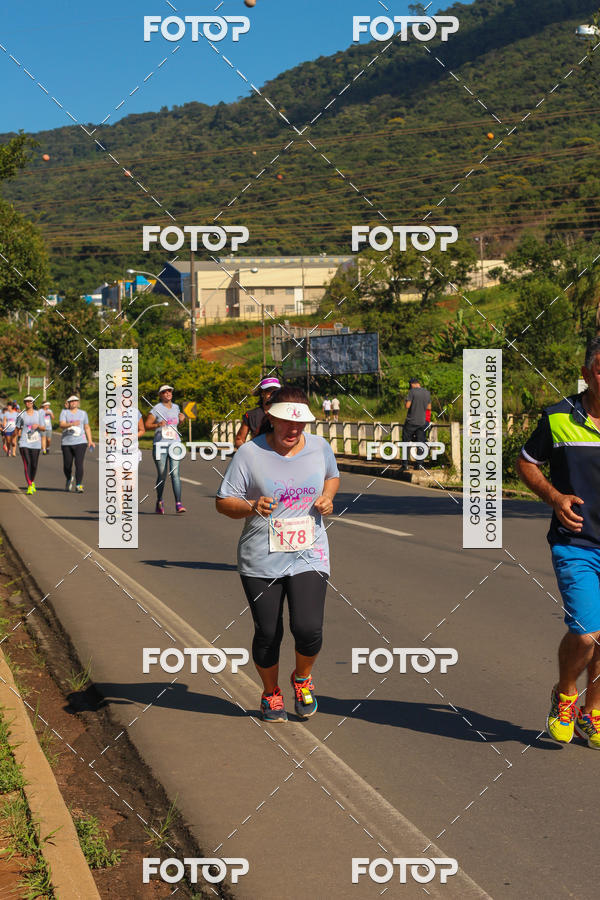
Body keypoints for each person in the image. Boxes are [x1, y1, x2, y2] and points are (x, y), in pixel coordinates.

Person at [216, 386, 340, 723]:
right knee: (269, 633)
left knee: (308, 627)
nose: (293, 430)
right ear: (270, 417)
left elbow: (332, 476)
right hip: (261, 558)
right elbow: (224, 501)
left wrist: (328, 498)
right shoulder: (249, 454)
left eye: (300, 424)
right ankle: (270, 692)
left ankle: (301, 679)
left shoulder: (319, 448)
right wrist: (251, 506)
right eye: (286, 422)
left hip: (309, 553)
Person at [517, 336, 600, 750]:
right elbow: (526, 462)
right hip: (577, 543)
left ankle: (593, 713)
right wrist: (554, 496)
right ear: (587, 374)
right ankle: (565, 694)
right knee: (587, 633)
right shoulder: (558, 418)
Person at [145, 385, 186, 514]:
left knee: (175, 474)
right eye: (164, 392)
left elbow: (176, 424)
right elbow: (147, 425)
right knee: (162, 475)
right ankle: (159, 500)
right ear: (160, 395)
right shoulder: (156, 409)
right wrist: (157, 424)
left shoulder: (176, 407)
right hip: (160, 445)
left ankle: (178, 504)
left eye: (169, 391)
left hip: (175, 444)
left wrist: (182, 420)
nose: (168, 393)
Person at [60, 395, 95, 492]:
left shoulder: (83, 413)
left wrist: (90, 440)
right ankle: (68, 478)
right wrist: (71, 424)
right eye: (72, 401)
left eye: (75, 401)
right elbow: (61, 425)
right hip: (66, 442)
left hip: (80, 442)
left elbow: (87, 427)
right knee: (67, 465)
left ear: (78, 403)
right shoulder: (64, 412)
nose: (74, 402)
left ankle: (79, 484)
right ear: (68, 403)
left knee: (79, 464)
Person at [235, 376, 281, 447]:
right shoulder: (251, 415)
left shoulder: (287, 413)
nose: (272, 394)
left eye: (275, 391)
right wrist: (249, 454)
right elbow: (239, 440)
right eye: (269, 391)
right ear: (262, 393)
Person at [402, 377, 432, 468]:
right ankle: (419, 464)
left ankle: (405, 464)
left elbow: (407, 406)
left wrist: (406, 401)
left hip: (411, 421)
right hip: (422, 421)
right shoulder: (427, 392)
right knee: (421, 442)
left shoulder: (412, 392)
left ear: (412, 384)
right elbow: (429, 407)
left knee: (405, 442)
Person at [16, 396, 43, 494]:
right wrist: (16, 439)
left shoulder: (38, 414)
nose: (28, 403)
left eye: (30, 401)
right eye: (26, 402)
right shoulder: (21, 415)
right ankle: (30, 485)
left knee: (34, 464)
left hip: (36, 443)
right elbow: (17, 428)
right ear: (24, 403)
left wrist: (38, 426)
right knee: (27, 463)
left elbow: (44, 428)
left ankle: (32, 480)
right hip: (24, 442)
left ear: (33, 402)